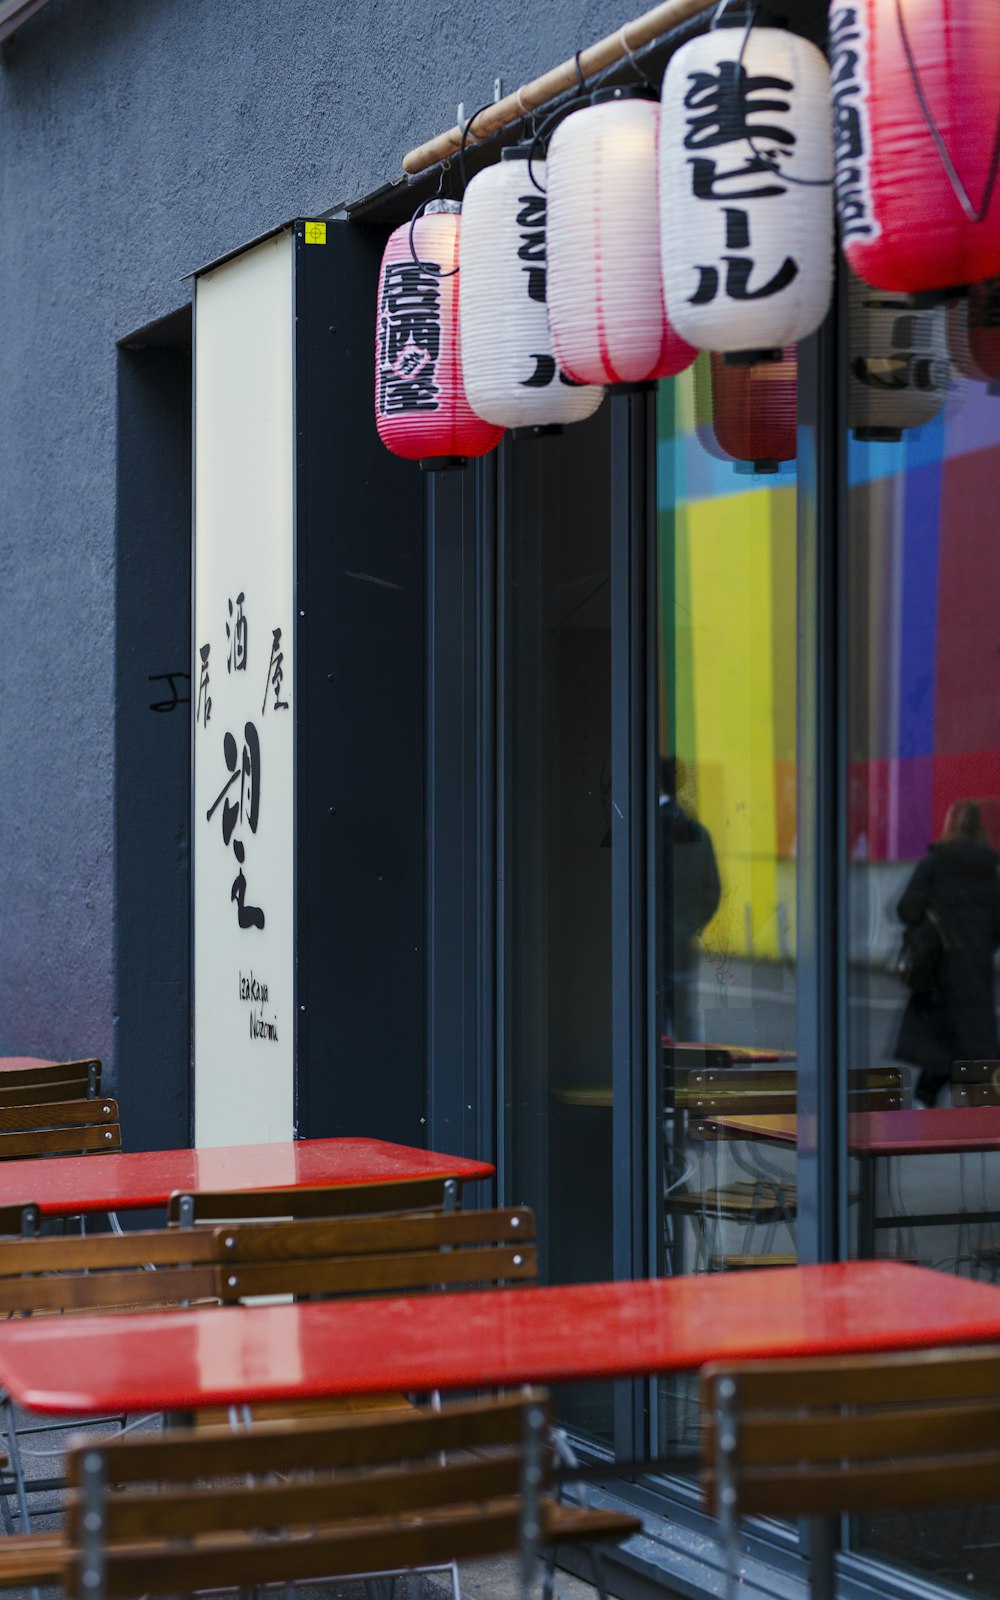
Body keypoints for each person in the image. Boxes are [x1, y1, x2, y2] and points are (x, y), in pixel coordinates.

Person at [894, 799, 1000, 1107]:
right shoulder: (989, 870)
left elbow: (907, 909)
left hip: (938, 967)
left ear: (950, 825)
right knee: (970, 1040)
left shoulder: (935, 863)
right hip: (975, 971)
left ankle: (926, 1099)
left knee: (938, 1038)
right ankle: (962, 1104)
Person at [660, 758, 721, 1043]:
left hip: (651, 947)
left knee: (651, 1034)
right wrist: (692, 925)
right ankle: (687, 1082)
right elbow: (712, 891)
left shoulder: (643, 830)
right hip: (684, 945)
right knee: (685, 1027)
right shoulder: (699, 832)